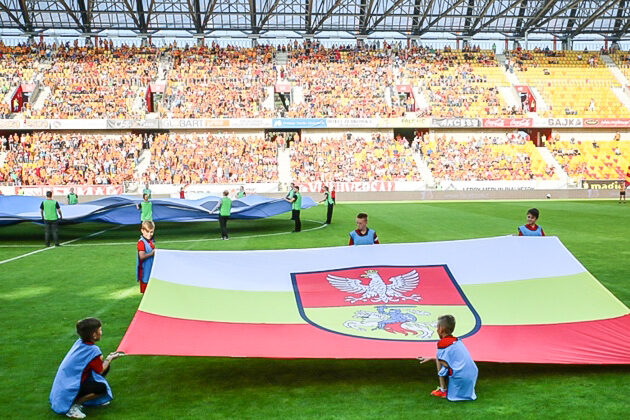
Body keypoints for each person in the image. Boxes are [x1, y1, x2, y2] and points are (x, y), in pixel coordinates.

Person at [50, 318, 122, 418]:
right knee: (101, 388)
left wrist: (105, 360)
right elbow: (100, 371)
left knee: (105, 367)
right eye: (100, 330)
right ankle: (73, 405)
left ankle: (82, 398)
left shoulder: (80, 342)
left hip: (65, 384)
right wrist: (109, 359)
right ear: (94, 335)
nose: (101, 332)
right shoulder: (93, 350)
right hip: (70, 387)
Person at [418, 315, 478, 401]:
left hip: (460, 377)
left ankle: (443, 390)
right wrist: (432, 359)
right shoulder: (457, 341)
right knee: (439, 358)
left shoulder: (443, 344)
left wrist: (436, 359)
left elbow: (445, 363)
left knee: (439, 359)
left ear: (441, 329)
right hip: (472, 376)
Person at [137, 220, 155, 294]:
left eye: (151, 232)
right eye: (147, 232)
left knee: (151, 292)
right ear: (142, 231)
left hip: (150, 270)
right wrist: (152, 253)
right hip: (145, 272)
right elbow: (142, 256)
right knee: (146, 293)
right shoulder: (141, 242)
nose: (149, 234)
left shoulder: (150, 241)